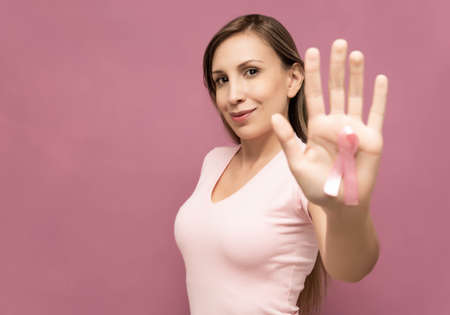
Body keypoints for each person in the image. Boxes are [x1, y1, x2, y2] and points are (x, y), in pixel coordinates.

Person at [174, 13, 387, 315]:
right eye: (222, 80)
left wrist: (347, 211)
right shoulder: (214, 162)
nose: (233, 95)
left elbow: (351, 267)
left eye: (250, 71)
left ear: (293, 79)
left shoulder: (307, 172)